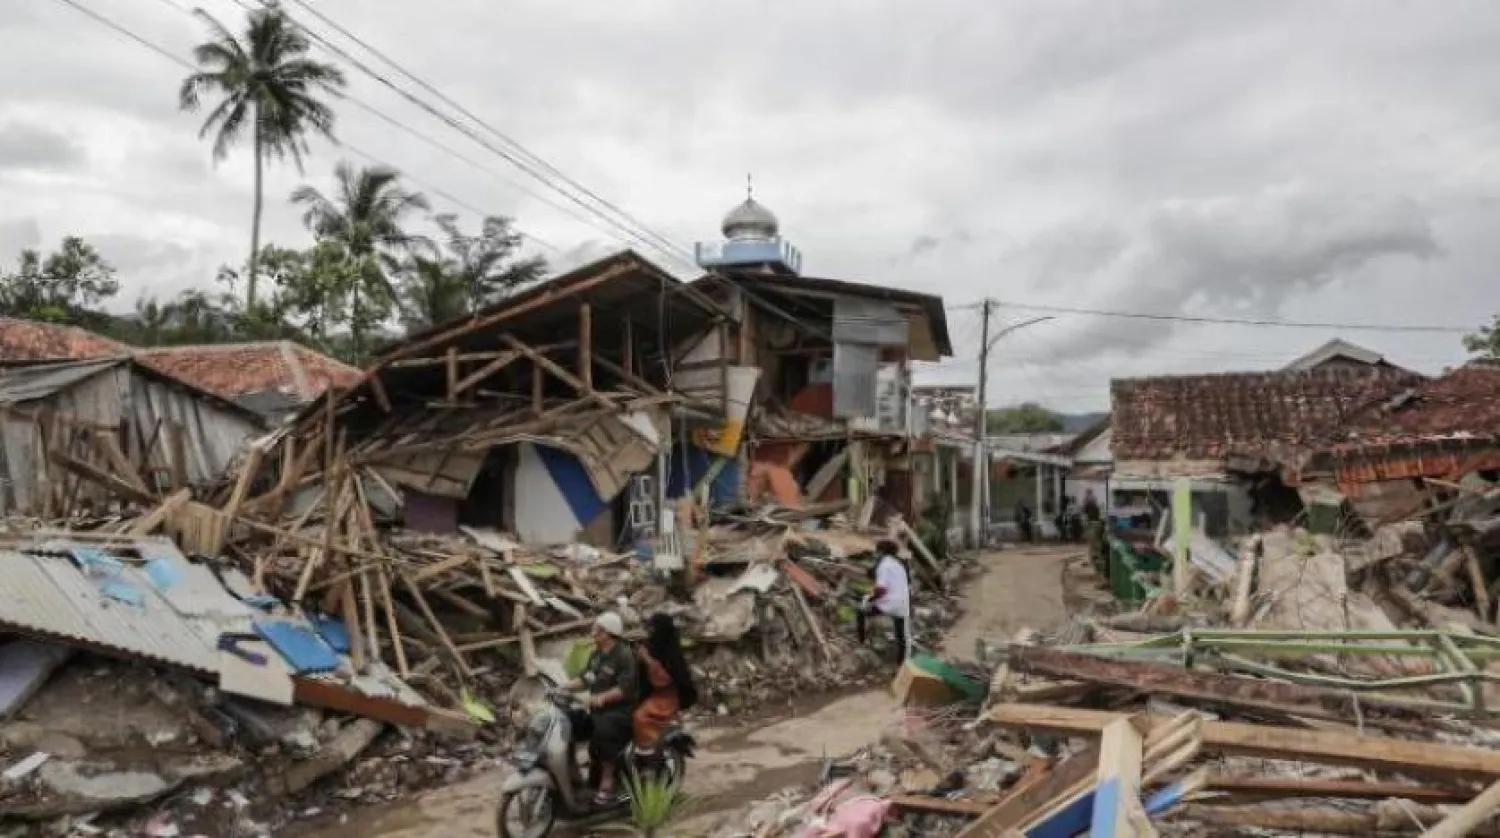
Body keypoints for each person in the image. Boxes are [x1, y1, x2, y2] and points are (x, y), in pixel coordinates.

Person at [571, 612, 637, 806]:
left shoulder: (624, 655)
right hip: (599, 710)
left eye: (596, 629)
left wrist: (601, 698)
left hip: (622, 711)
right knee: (571, 724)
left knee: (604, 732)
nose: (593, 632)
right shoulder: (597, 655)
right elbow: (586, 679)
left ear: (607, 633)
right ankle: (574, 777)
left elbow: (624, 689)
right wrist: (560, 687)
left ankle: (608, 783)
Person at [632, 613, 698, 753]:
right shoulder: (652, 647)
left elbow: (664, 680)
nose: (650, 632)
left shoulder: (671, 653)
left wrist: (647, 660)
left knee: (639, 717)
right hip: (652, 694)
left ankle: (651, 750)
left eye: (653, 628)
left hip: (667, 696)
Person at [857, 539, 911, 664]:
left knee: (861, 611)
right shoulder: (899, 564)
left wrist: (870, 599)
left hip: (888, 603)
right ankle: (902, 663)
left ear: (881, 552)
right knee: (901, 635)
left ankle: (862, 641)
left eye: (877, 552)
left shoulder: (884, 565)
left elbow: (881, 589)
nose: (875, 554)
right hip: (903, 603)